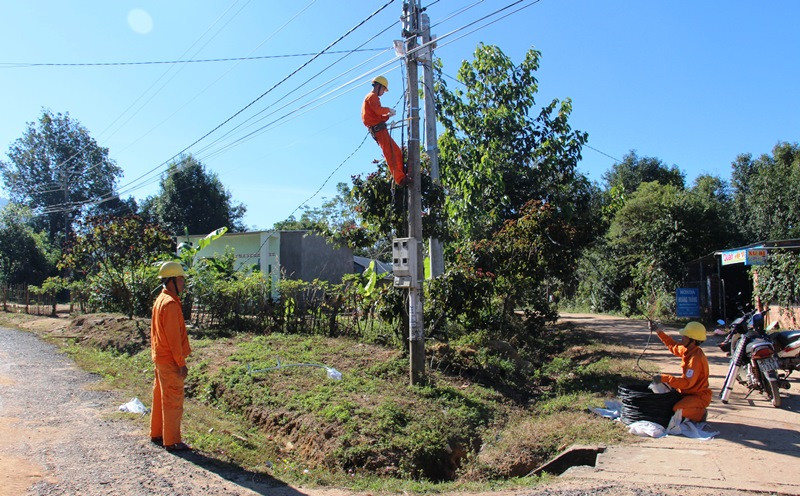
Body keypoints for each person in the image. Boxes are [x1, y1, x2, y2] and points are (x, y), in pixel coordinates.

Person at [150, 261, 192, 451]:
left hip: (160, 357)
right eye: (181, 279)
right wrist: (181, 363)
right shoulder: (170, 304)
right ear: (172, 280)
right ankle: (172, 440)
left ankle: (157, 433)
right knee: (173, 399)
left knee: (160, 396)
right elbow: (174, 339)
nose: (183, 283)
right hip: (170, 360)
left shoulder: (161, 300)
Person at [651, 321, 712, 423]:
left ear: (693, 340)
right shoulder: (688, 350)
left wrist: (665, 378)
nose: (682, 338)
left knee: (678, 409)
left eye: (685, 336)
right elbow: (673, 346)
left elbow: (687, 383)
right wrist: (658, 331)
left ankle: (701, 414)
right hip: (686, 393)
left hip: (698, 396)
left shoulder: (695, 359)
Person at [361, 75, 409, 186]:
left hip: (379, 129)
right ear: (378, 86)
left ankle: (402, 174)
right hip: (379, 130)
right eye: (383, 89)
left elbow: (377, 116)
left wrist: (388, 116)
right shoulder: (372, 96)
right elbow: (378, 110)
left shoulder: (372, 98)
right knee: (391, 153)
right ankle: (400, 179)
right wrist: (388, 110)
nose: (383, 92)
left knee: (396, 151)